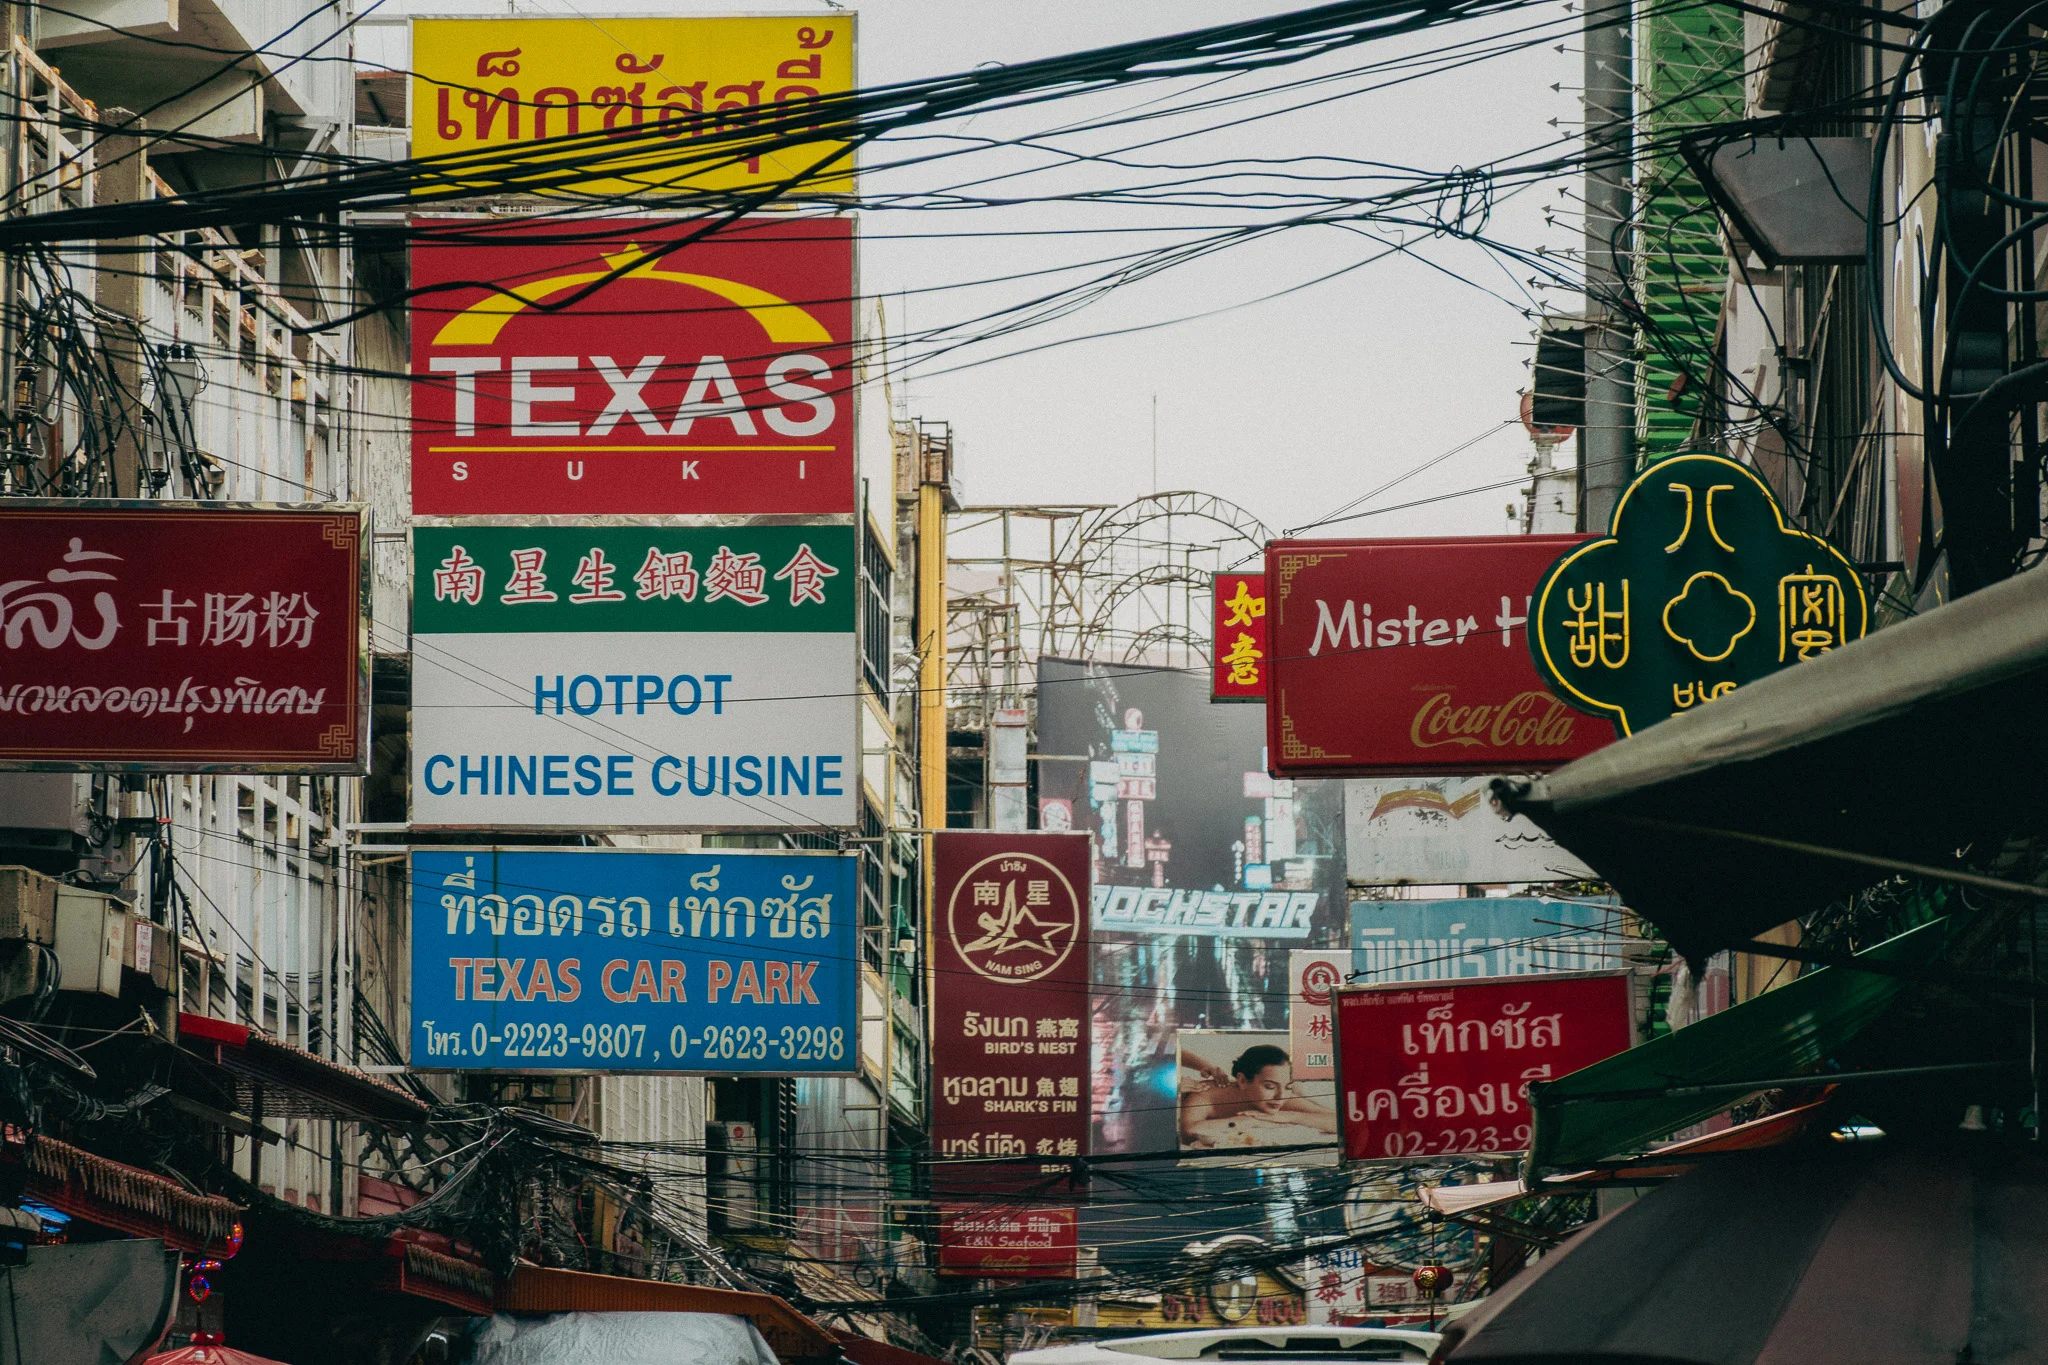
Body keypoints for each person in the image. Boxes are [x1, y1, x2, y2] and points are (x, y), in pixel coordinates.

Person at [1178, 1043, 1338, 1147]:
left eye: (1288, 1087)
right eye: (1269, 1086)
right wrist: (1250, 1120)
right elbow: (1188, 1132)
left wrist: (1291, 1116)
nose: (1281, 1096)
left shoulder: (1281, 1098)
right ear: (1242, 1081)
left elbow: (1338, 1122)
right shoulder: (1205, 1094)